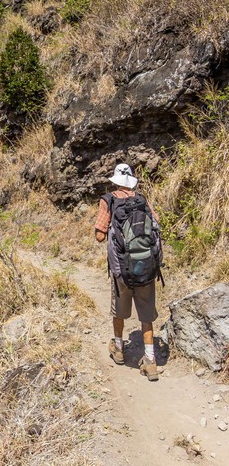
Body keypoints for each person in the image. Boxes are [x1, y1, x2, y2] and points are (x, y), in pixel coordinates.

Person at [93, 163, 162, 381]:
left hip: (121, 268)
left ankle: (119, 348)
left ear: (115, 181)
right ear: (131, 180)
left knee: (119, 310)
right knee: (146, 315)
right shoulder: (141, 199)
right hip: (146, 267)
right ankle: (150, 362)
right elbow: (156, 225)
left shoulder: (109, 200)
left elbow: (99, 236)